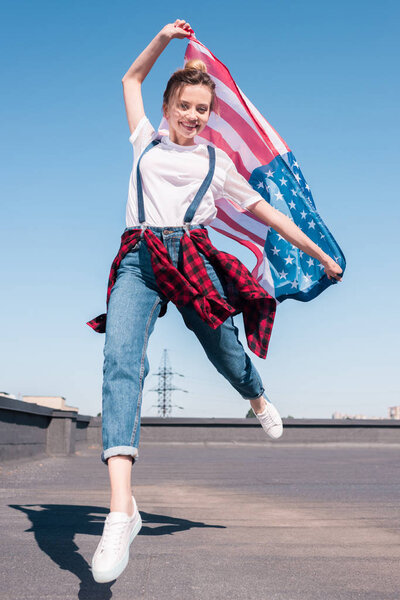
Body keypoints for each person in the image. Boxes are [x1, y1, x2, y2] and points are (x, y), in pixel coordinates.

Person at [90, 19, 343, 584]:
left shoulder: (217, 164)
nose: (193, 115)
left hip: (194, 258)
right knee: (120, 363)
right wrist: (161, 40)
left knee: (224, 349)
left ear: (210, 115)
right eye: (185, 105)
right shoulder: (144, 141)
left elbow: (268, 215)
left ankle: (255, 396)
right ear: (169, 105)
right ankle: (119, 512)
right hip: (138, 258)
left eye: (203, 108)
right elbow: (129, 79)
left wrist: (318, 252)